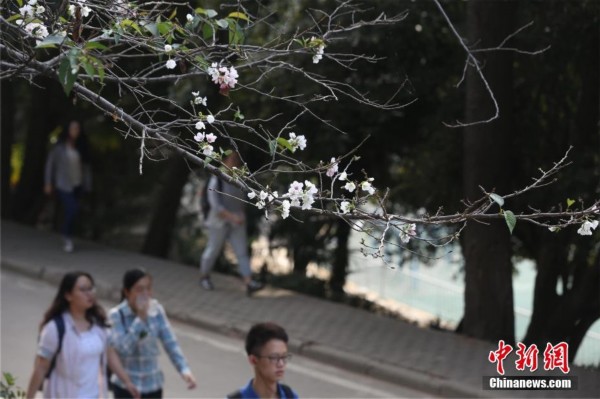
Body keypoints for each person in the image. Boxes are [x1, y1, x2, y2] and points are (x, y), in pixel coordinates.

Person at [25, 271, 138, 399]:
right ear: (68, 295)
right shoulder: (56, 328)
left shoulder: (99, 324)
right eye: (83, 290)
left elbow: (110, 353)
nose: (89, 294)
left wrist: (127, 382)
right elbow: (41, 368)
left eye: (91, 288)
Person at [109, 268, 197, 398]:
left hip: (153, 385)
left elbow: (170, 342)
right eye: (139, 290)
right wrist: (140, 319)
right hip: (127, 387)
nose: (145, 294)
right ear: (127, 292)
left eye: (148, 289)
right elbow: (123, 350)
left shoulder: (156, 310)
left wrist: (184, 369)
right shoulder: (117, 315)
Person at [199, 151, 263, 295]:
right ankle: (204, 276)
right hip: (218, 222)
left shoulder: (239, 179)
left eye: (237, 160)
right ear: (225, 161)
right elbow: (215, 206)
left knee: (242, 252)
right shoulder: (217, 179)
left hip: (237, 222)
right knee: (212, 250)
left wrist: (240, 216)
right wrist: (232, 217)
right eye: (232, 159)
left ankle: (249, 282)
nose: (235, 162)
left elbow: (242, 201)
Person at [44, 120, 92, 253]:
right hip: (63, 184)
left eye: (77, 128)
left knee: (73, 211)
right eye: (73, 128)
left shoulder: (81, 147)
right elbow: (50, 165)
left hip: (77, 184)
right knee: (72, 209)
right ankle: (66, 236)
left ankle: (68, 235)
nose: (75, 131)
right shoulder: (59, 148)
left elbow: (86, 168)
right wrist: (48, 182)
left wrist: (87, 184)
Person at [228, 322, 298, 399]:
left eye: (284, 357)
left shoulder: (289, 395)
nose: (281, 364)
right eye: (274, 357)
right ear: (253, 360)